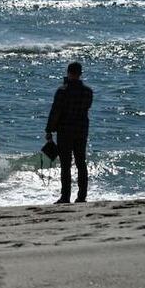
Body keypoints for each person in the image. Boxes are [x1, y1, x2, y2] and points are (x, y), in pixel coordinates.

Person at [45, 62, 93, 204]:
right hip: (81, 130)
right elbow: (86, 107)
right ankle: (82, 196)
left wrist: (49, 130)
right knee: (81, 163)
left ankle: (65, 196)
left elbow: (55, 112)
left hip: (65, 131)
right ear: (80, 73)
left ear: (68, 72)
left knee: (66, 165)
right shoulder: (87, 91)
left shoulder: (62, 91)